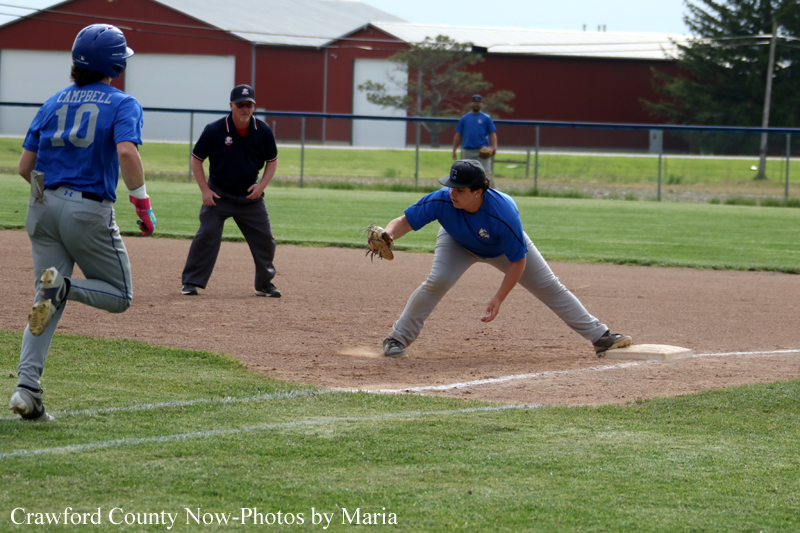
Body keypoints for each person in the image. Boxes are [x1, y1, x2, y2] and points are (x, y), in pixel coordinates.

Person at [9, 24, 155, 422]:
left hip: (41, 205)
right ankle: (65, 288)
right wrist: (142, 204)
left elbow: (25, 166)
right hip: (86, 209)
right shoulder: (123, 102)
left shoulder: (54, 100)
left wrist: (48, 195)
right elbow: (126, 152)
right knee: (120, 295)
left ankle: (26, 389)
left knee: (44, 300)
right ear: (117, 63)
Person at [380, 160, 631, 359]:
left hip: (501, 248)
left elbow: (518, 261)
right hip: (456, 240)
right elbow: (404, 222)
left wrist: (499, 297)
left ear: (478, 191)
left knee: (550, 287)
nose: (452, 193)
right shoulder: (442, 199)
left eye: (459, 190)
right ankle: (396, 339)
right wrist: (388, 234)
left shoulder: (503, 212)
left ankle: (601, 337)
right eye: (451, 187)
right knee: (438, 280)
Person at [180, 84, 281, 298]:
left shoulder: (262, 130)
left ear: (253, 106)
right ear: (231, 106)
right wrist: (205, 190)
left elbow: (272, 161)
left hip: (250, 198)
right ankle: (191, 282)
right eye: (240, 104)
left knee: (265, 240)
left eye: (249, 105)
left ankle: (264, 284)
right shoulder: (215, 129)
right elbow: (196, 160)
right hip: (219, 196)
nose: (245, 109)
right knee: (206, 234)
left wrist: (261, 186)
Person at [452, 94, 498, 181]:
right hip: (467, 151)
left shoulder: (486, 118)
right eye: (474, 102)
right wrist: (454, 150)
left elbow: (492, 133)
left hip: (482, 151)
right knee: (466, 174)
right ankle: (467, 193)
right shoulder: (464, 118)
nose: (476, 104)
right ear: (471, 104)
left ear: (481, 104)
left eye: (478, 102)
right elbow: (458, 135)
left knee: (486, 174)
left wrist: (494, 147)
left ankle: (489, 192)